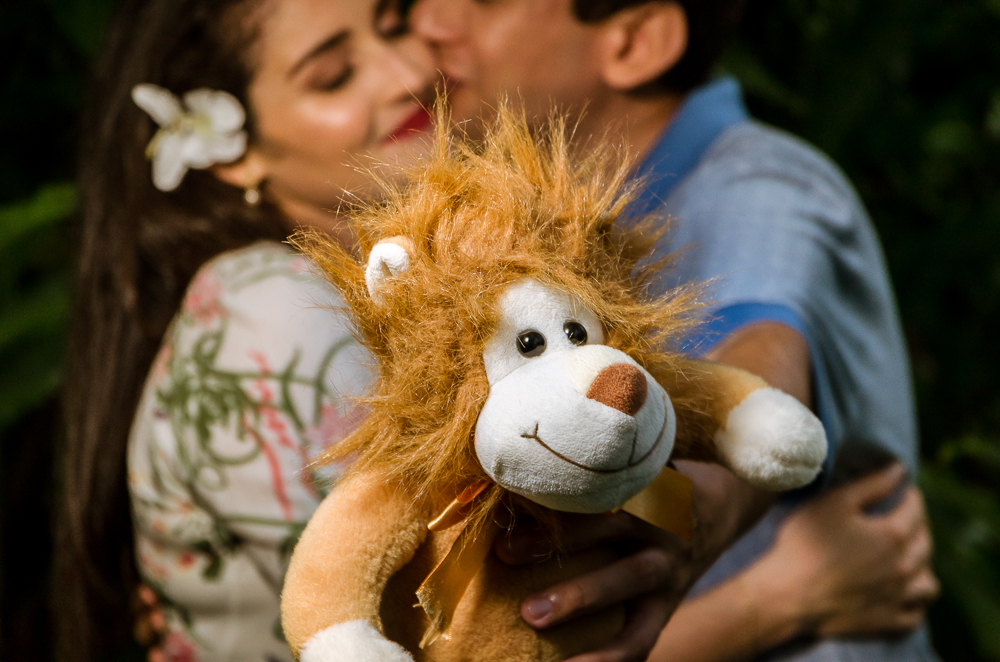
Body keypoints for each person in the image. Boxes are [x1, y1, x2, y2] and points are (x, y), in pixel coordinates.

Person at [409, 0, 941, 660]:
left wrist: (691, 511)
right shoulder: (508, 232)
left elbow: (763, 357)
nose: (429, 19)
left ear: (636, 41)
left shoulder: (759, 187)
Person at [56, 0, 437, 660]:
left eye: (394, 24)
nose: (406, 72)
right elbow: (450, 612)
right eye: (334, 75)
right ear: (235, 157)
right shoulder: (273, 308)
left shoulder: (376, 282)